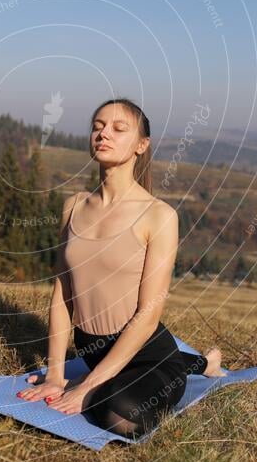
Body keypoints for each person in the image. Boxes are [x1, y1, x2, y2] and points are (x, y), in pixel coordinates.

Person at [17, 97, 226, 439]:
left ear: (141, 145)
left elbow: (148, 314)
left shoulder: (158, 216)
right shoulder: (73, 206)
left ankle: (195, 365)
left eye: (118, 128)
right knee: (104, 397)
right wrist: (56, 376)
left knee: (121, 416)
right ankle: (203, 363)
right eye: (97, 127)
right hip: (93, 349)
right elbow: (61, 297)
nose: (103, 134)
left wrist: (87, 386)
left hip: (148, 353)